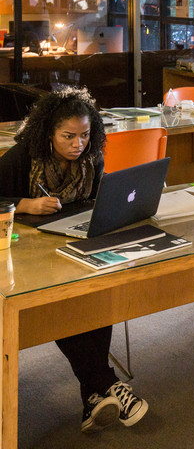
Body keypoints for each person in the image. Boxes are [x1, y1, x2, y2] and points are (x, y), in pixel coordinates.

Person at [0, 87, 148, 433]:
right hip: (25, 252)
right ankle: (107, 384)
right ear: (48, 132)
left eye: (84, 135)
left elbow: (96, 199)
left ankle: (94, 399)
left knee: (98, 297)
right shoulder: (23, 156)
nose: (78, 144)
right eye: (68, 136)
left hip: (73, 243)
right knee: (59, 307)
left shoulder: (92, 157)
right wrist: (26, 204)